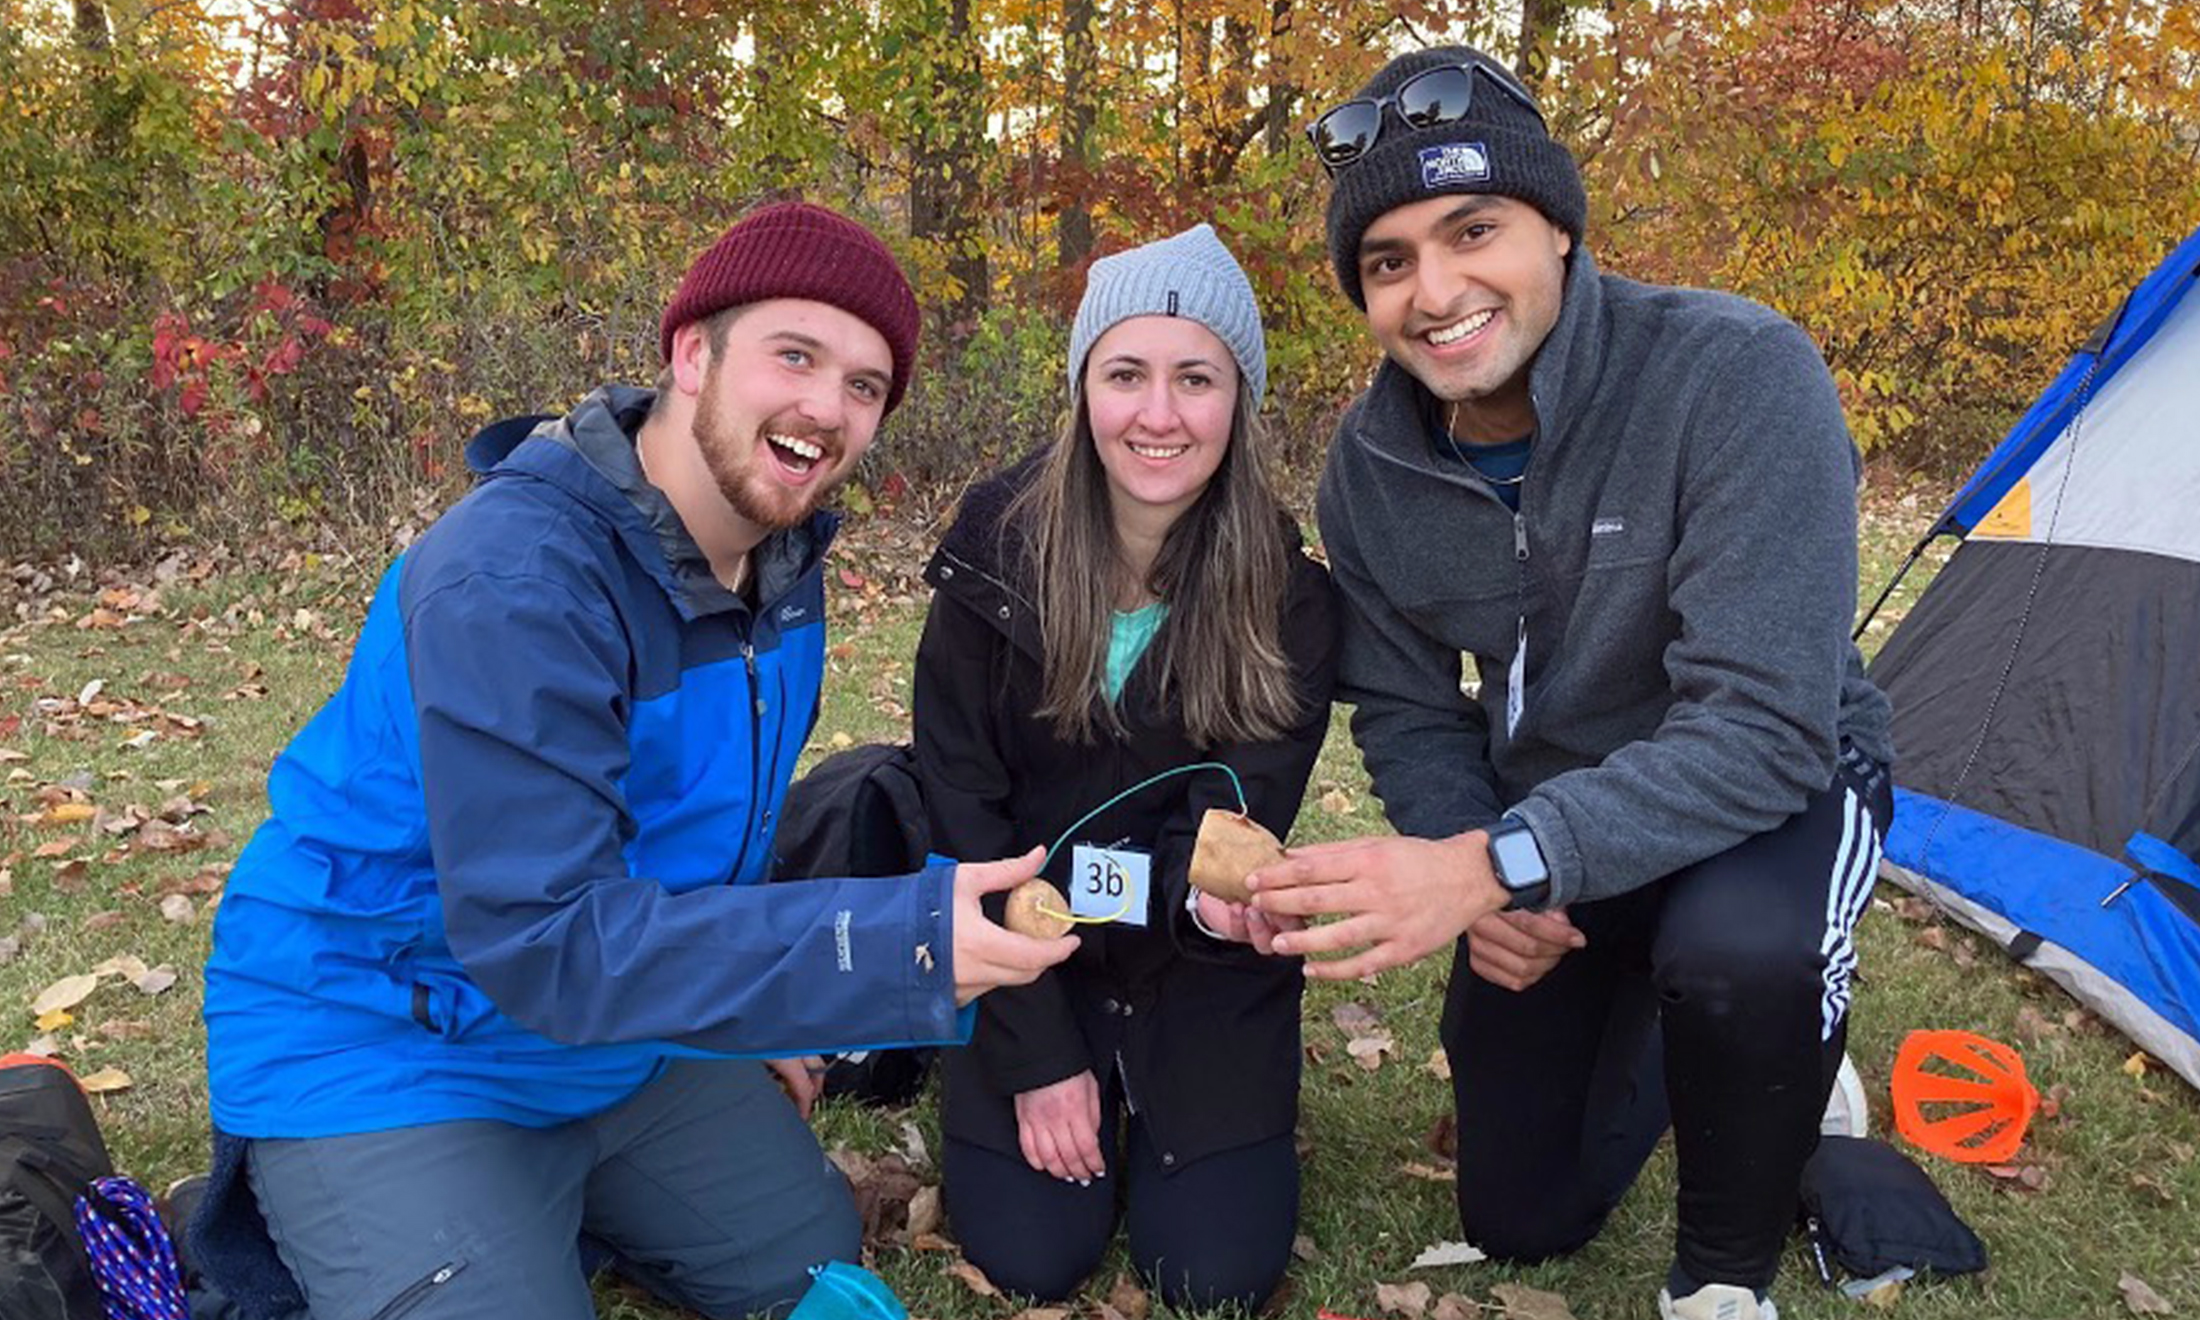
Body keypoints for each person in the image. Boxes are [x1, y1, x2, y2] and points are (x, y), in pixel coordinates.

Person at [194, 201, 1077, 1320]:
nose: (828, 408)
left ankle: (523, 1209)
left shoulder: (783, 565)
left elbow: (715, 832)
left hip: (617, 1031)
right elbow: (544, 937)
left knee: (808, 1261)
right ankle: (355, 1203)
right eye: (794, 355)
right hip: (390, 1032)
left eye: (865, 385)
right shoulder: (517, 579)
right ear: (692, 352)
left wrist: (769, 1015)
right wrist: (881, 946)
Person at [1245, 47, 1896, 1320]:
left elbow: (1763, 729)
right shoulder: (1367, 472)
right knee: (1519, 1216)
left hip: (1775, 791)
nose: (1436, 292)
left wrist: (1491, 865)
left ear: (1555, 227)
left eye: (1471, 230)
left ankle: (1721, 1272)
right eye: (1387, 262)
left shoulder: (1735, 373)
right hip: (1555, 827)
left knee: (1741, 954)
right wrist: (1468, 857)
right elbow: (1409, 708)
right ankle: (1704, 1033)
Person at [913, 225, 1338, 1310]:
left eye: (1194, 378)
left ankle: (1161, 1099)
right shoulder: (991, 559)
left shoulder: (1289, 600)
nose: (1158, 415)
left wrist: (1211, 912)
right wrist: (1040, 1049)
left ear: (1236, 400)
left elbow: (1221, 828)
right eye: (1126, 375)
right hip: (1017, 961)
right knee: (1029, 1253)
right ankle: (1036, 1067)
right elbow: (961, 809)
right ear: (1081, 389)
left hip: (1192, 975)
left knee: (1211, 1274)